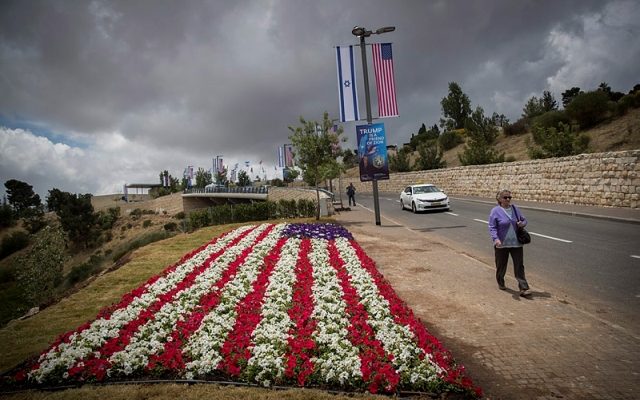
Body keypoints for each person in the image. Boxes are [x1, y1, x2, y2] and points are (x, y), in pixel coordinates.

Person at [488, 189, 531, 297]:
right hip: (501, 244)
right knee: (501, 266)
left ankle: (523, 288)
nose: (508, 199)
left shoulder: (515, 208)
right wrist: (496, 239)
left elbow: (524, 220)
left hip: (516, 243)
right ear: (499, 199)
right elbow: (492, 227)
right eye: (505, 197)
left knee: (519, 266)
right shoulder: (495, 211)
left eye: (509, 197)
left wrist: (522, 224)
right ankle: (501, 282)